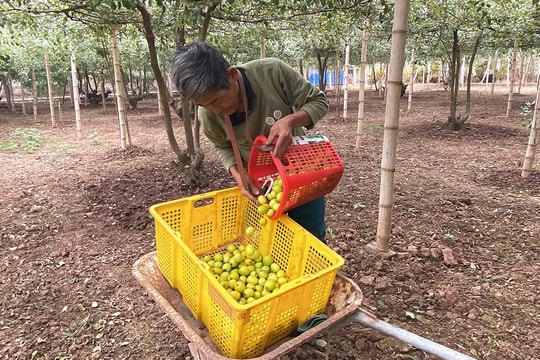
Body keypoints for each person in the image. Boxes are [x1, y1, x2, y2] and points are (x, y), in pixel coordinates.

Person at [170, 41, 329, 242]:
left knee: (311, 234)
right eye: (204, 105)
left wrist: (290, 121)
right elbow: (222, 145)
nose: (214, 109)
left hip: (300, 171)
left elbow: (319, 101)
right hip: (262, 183)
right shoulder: (208, 115)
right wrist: (238, 174)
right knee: (271, 239)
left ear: (232, 76)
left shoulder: (272, 72)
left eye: (217, 100)